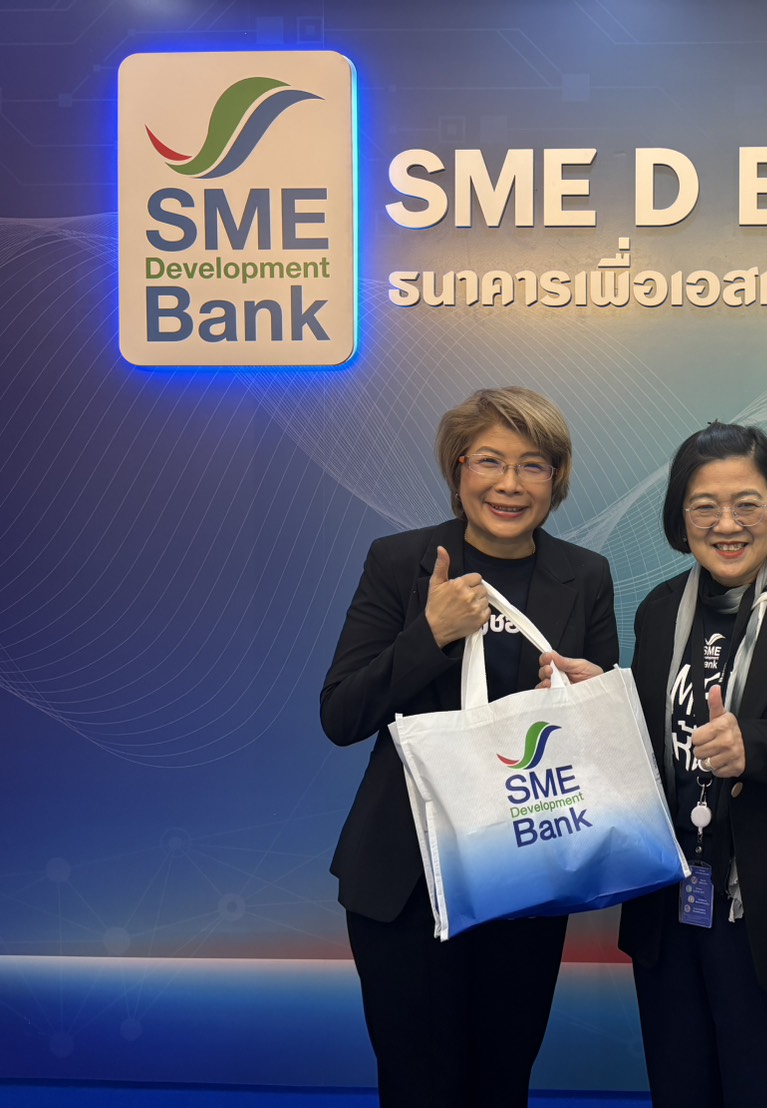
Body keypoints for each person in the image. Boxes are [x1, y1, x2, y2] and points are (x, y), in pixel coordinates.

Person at [543, 422, 767, 1107]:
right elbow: (654, 746)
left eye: (747, 503)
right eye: (705, 506)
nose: (727, 524)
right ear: (680, 517)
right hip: (672, 907)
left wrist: (758, 747)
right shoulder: (661, 609)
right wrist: (599, 702)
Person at [320, 386, 618, 1107]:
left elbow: (601, 743)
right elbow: (342, 713)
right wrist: (430, 635)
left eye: (533, 465)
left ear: (556, 479)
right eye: (489, 461)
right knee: (419, 1085)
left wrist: (584, 696)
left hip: (523, 873)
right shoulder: (400, 562)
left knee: (501, 1083)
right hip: (404, 878)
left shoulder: (584, 575)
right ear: (457, 469)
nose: (510, 484)